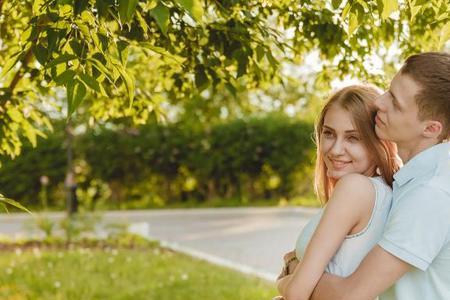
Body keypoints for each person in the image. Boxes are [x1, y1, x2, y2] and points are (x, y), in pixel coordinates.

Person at [310, 52, 450, 300]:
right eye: (388, 90)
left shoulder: (430, 192)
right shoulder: (418, 178)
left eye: (395, 103)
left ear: (430, 128)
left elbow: (349, 295)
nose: (379, 103)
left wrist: (294, 271)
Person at [276, 84, 400, 300]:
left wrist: (286, 277)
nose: (335, 149)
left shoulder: (355, 188)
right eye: (329, 134)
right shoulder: (383, 191)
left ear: (378, 143)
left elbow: (296, 293)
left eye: (353, 138)